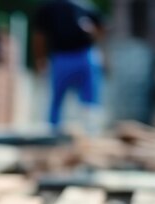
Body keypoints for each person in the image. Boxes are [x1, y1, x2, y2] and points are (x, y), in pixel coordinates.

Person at [32, 0, 104, 133]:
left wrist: (93, 34)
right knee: (56, 102)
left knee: (90, 103)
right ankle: (53, 133)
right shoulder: (48, 8)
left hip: (85, 56)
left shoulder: (85, 6)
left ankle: (91, 133)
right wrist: (40, 60)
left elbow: (100, 29)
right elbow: (39, 36)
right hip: (61, 57)